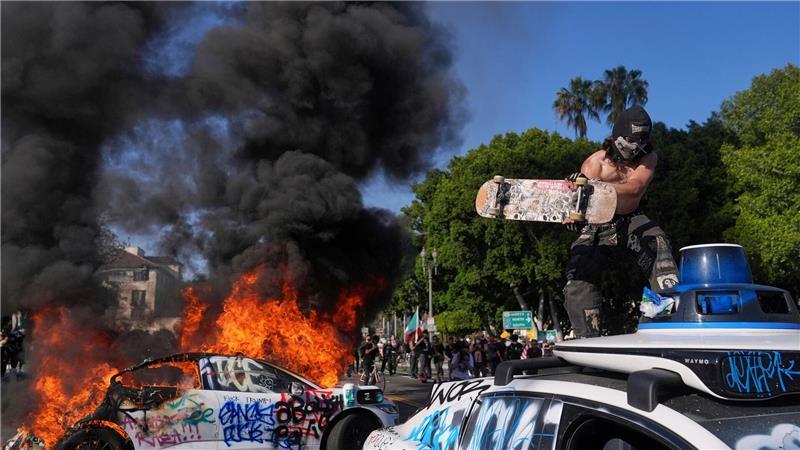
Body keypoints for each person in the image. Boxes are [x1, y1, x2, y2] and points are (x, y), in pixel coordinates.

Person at [563, 105, 679, 338]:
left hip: (631, 218)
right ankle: (587, 335)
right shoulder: (595, 163)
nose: (634, 148)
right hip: (597, 222)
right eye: (629, 141)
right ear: (616, 137)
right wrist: (573, 215)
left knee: (659, 244)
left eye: (640, 142)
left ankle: (657, 322)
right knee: (579, 267)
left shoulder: (648, 157)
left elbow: (635, 188)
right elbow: (578, 207)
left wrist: (598, 187)